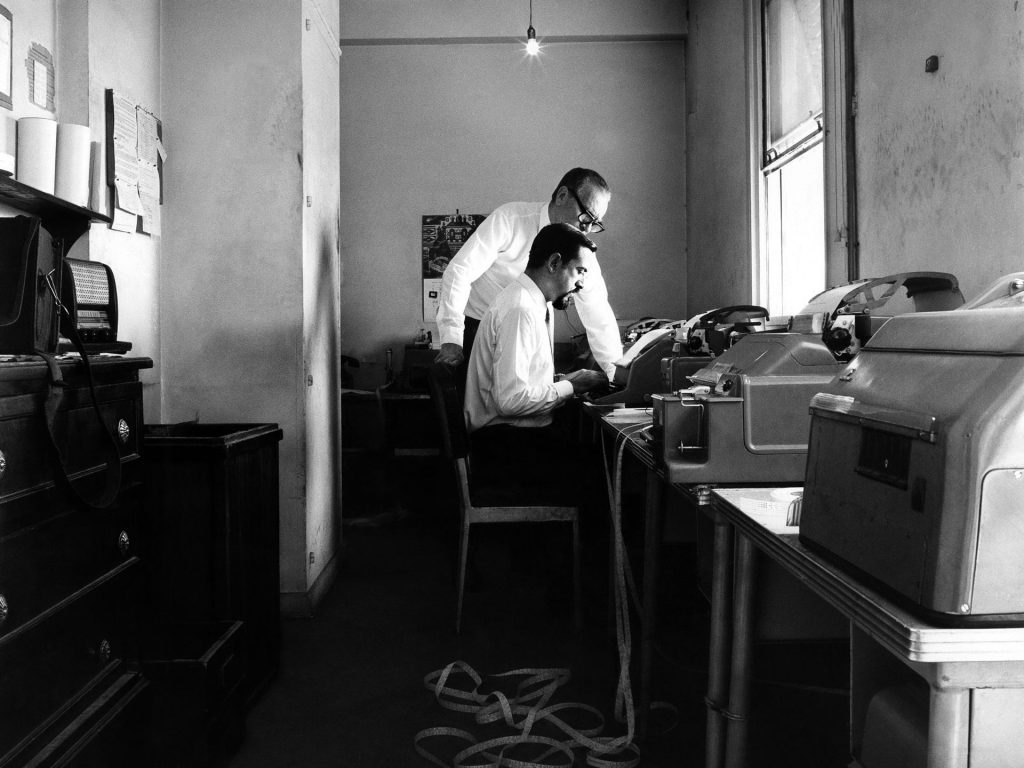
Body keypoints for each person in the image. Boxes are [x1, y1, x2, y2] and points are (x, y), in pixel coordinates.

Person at [434, 168, 622, 382]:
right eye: (586, 216)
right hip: (479, 329)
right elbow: (459, 271)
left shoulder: (580, 248)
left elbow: (597, 311)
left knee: (534, 395)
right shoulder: (510, 219)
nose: (586, 229)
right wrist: (451, 337)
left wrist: (615, 372)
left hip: (530, 333)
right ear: (562, 195)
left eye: (595, 223)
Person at [463, 223, 607, 499]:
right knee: (599, 470)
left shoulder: (532, 302)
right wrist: (572, 386)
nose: (581, 283)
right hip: (503, 446)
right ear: (554, 262)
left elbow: (520, 382)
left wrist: (565, 381)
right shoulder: (520, 309)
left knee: (591, 455)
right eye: (579, 271)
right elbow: (510, 400)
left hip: (509, 439)